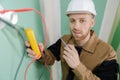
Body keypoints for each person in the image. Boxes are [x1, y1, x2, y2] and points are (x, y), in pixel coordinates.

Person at [25, 0, 119, 80]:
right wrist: (38, 52)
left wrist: (77, 66)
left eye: (82, 20)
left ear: (92, 23)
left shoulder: (108, 53)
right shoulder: (64, 40)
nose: (76, 27)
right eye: (72, 20)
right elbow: (50, 58)